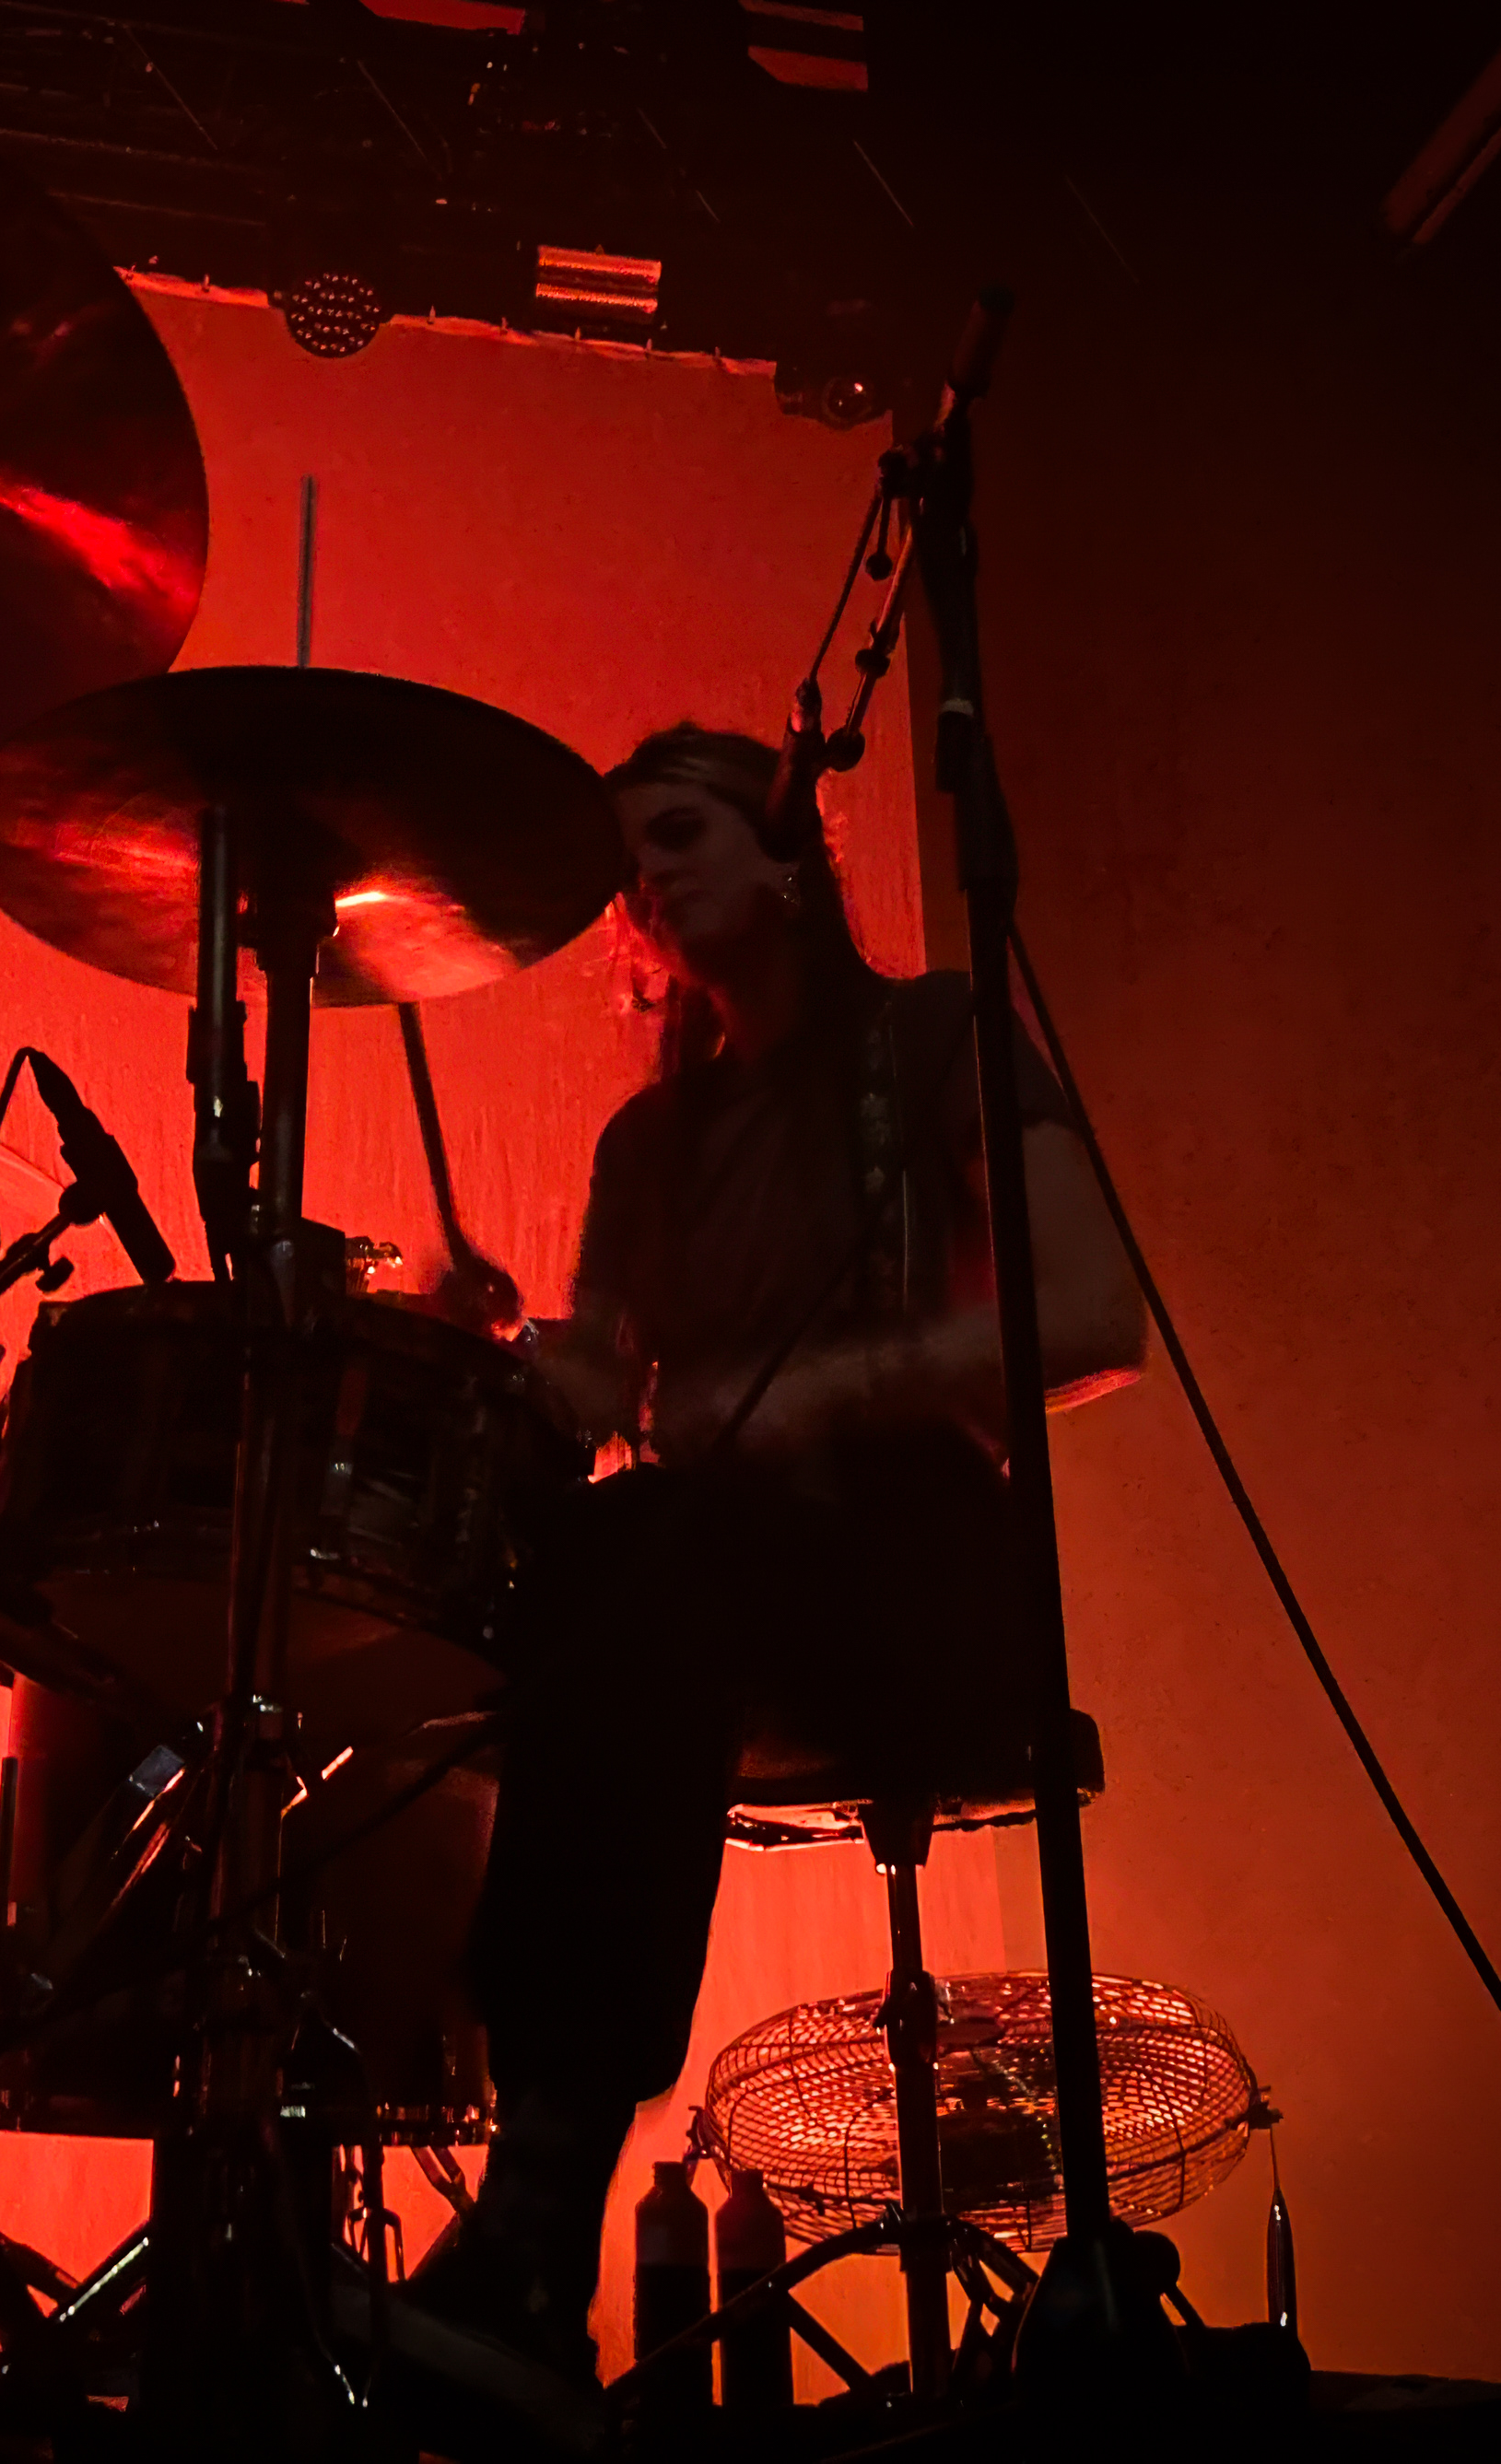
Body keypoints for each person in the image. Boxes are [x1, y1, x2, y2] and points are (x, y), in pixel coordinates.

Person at [415, 723, 1149, 2377]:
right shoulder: (647, 1147)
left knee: (642, 1571)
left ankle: (532, 2231)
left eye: (677, 834)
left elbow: (1100, 1312)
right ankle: (526, 2211)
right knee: (585, 1572)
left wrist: (832, 1386)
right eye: (628, 862)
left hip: (918, 1568)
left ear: (786, 852)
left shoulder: (934, 1037)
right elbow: (601, 1394)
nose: (646, 879)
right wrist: (504, 1353)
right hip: (710, 1583)